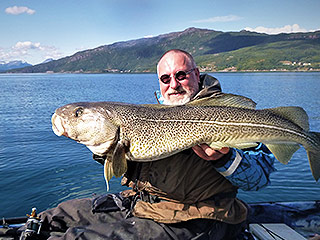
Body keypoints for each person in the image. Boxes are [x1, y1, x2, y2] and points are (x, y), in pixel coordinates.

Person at [25, 49, 276, 240]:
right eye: (165, 78)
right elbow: (123, 166)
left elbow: (260, 178)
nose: (173, 84)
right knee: (54, 217)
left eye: (181, 75)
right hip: (143, 205)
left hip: (199, 219)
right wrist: (101, 148)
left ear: (197, 75)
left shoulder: (223, 113)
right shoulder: (148, 115)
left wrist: (223, 159)